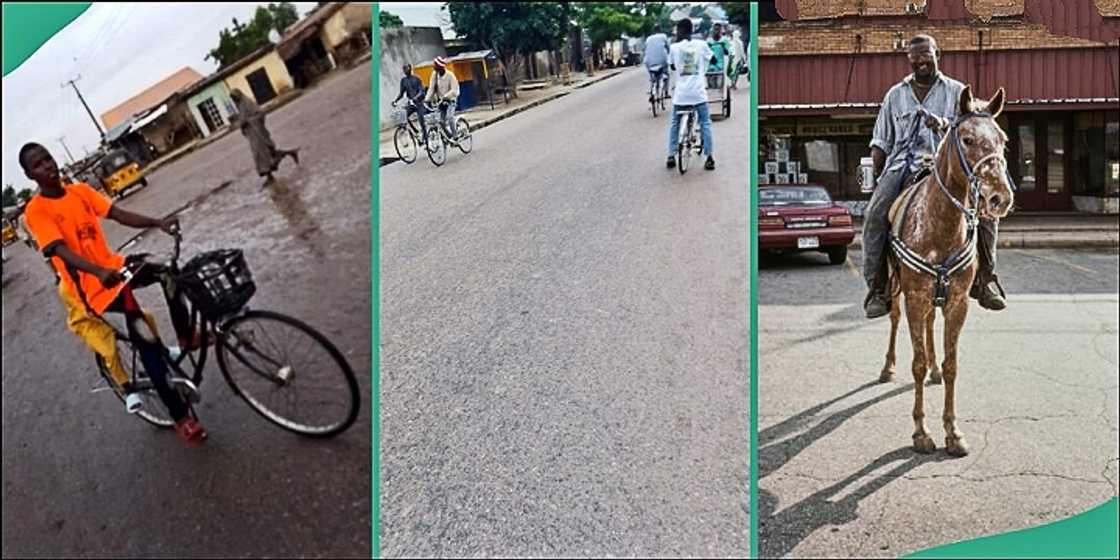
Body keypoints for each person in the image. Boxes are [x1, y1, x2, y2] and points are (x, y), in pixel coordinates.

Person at [19, 142, 207, 446]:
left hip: (114, 267)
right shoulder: (36, 210)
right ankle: (181, 418)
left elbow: (117, 214)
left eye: (48, 159)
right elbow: (59, 250)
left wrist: (157, 222)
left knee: (168, 274)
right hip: (93, 288)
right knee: (143, 336)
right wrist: (97, 272)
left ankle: (187, 336)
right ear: (30, 175)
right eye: (39, 165)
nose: (48, 166)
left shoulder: (79, 191)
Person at [862, 34, 1007, 319]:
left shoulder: (956, 92)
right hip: (903, 165)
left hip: (948, 168)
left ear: (937, 53)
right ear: (909, 59)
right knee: (875, 215)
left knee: (986, 212)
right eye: (914, 57)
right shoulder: (895, 95)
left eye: (925, 54)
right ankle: (877, 289)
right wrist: (871, 168)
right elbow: (881, 140)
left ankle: (986, 280)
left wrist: (942, 124)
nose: (920, 61)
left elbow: (974, 130)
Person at [666, 17, 717, 171]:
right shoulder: (702, 45)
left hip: (681, 95)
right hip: (698, 94)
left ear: (679, 31)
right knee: (705, 123)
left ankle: (670, 155)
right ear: (691, 30)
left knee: (675, 123)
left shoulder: (674, 48)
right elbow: (713, 59)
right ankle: (709, 157)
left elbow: (673, 67)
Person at [229, 89, 299, 185]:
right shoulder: (240, 106)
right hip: (253, 134)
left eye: (234, 97)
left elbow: (260, 113)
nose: (234, 99)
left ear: (238, 95)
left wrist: (248, 122)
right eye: (232, 98)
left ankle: (270, 176)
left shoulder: (247, 103)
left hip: (258, 132)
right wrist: (242, 123)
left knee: (262, 154)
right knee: (267, 154)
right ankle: (291, 153)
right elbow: (243, 118)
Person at [424, 56, 460, 140]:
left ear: (441, 68)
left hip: (451, 100)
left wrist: (445, 97)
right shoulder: (434, 75)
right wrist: (427, 99)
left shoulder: (450, 75)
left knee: (450, 118)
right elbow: (431, 88)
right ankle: (449, 136)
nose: (435, 70)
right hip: (440, 102)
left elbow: (454, 90)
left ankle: (455, 136)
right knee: (440, 121)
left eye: (436, 68)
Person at [391, 63, 429, 140]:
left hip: (419, 103)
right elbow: (401, 93)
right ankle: (415, 131)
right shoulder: (403, 81)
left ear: (410, 68)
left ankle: (425, 138)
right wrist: (395, 101)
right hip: (411, 104)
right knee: (403, 115)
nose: (405, 70)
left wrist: (416, 98)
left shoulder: (417, 78)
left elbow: (422, 91)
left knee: (421, 120)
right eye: (404, 69)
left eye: (406, 68)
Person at [643, 25, 671, 104]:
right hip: (662, 61)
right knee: (666, 74)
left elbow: (646, 49)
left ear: (653, 31)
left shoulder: (648, 38)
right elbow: (668, 48)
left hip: (648, 61)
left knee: (652, 76)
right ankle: (666, 92)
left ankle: (652, 88)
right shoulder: (663, 36)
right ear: (660, 30)